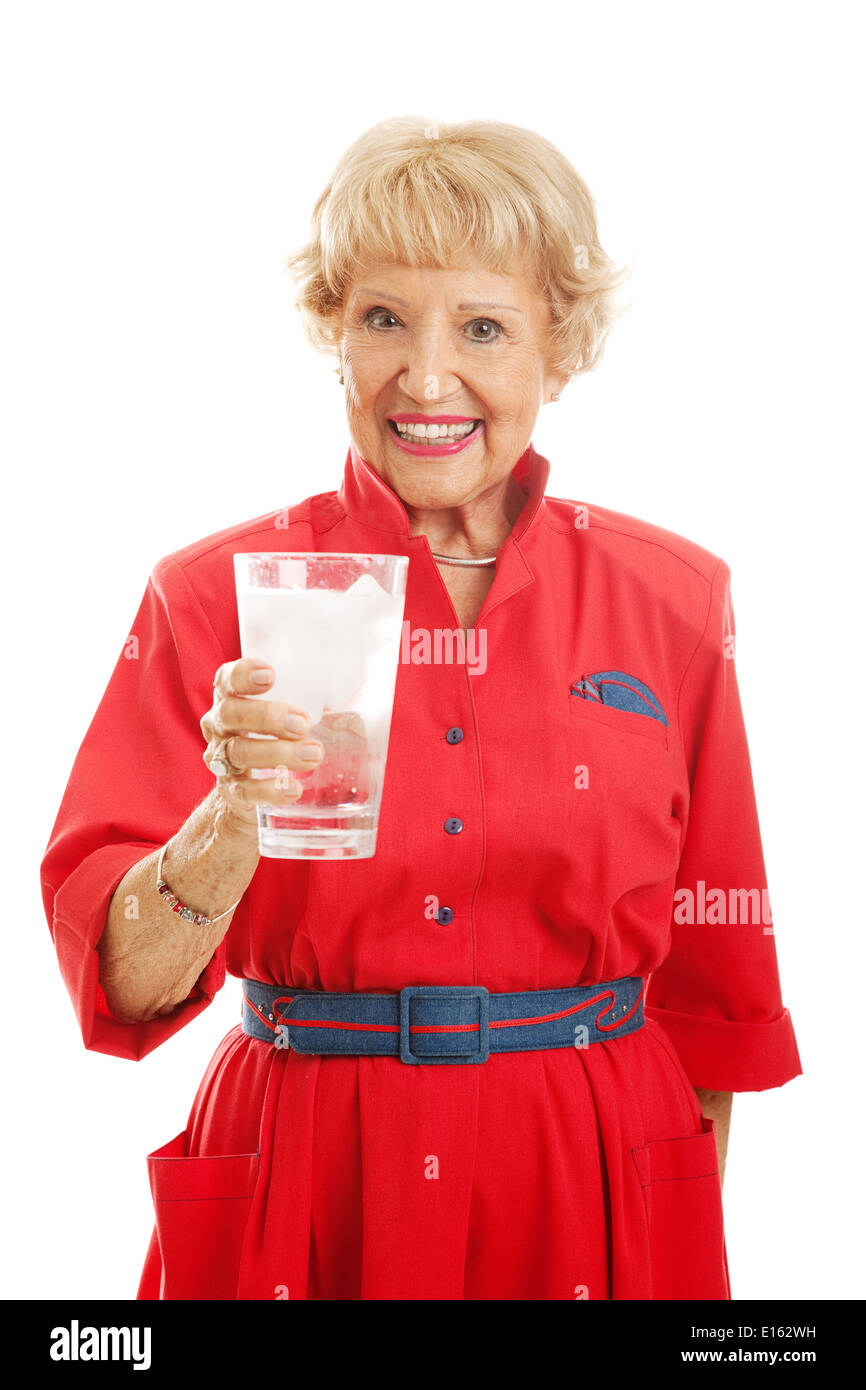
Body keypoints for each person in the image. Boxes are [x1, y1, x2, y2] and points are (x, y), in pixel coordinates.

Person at [41, 116, 801, 1301]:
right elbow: (120, 987)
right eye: (382, 319)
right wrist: (227, 820)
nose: (426, 377)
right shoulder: (208, 597)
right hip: (304, 1171)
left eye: (483, 327)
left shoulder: (674, 598)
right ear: (333, 334)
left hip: (588, 1173)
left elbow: (717, 992)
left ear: (561, 351)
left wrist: (669, 1220)